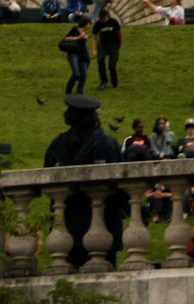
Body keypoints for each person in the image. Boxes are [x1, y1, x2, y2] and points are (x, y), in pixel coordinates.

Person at [42, 95, 126, 268]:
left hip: (73, 224)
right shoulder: (107, 143)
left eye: (69, 110)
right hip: (99, 224)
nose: (64, 113)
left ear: (77, 116)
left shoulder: (57, 145)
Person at [60, 16, 91, 94]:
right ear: (85, 24)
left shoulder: (84, 34)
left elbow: (83, 46)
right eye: (89, 24)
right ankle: (68, 89)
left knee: (84, 74)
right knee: (76, 73)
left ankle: (80, 91)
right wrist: (78, 37)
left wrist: (85, 39)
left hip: (82, 55)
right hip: (73, 53)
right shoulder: (75, 29)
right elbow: (66, 38)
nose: (90, 25)